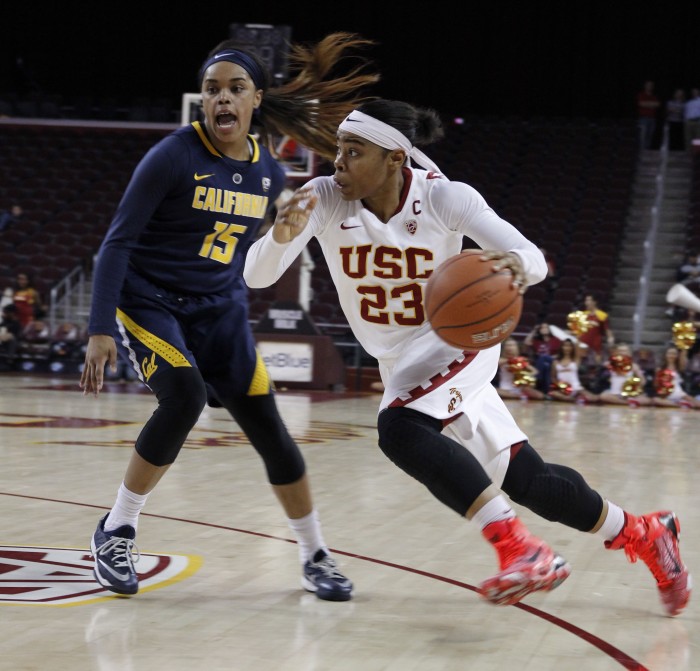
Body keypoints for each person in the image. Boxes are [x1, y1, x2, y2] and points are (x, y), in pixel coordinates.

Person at [243, 98, 690, 615]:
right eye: (339, 149)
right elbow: (257, 276)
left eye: (353, 151)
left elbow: (533, 259)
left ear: (394, 158)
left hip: (457, 340)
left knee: (400, 429)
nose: (338, 161)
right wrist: (278, 235)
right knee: (531, 482)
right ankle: (644, 532)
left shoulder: (444, 199)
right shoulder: (323, 197)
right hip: (401, 360)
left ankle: (522, 549)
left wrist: (513, 267)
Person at [80, 32, 381, 600]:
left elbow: (251, 250)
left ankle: (315, 553)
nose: (222, 98)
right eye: (212, 89)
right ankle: (116, 528)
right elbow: (115, 245)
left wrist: (281, 230)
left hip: (221, 310)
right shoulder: (171, 156)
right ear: (203, 100)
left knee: (271, 428)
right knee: (186, 397)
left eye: (235, 89)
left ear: (254, 100)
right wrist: (100, 330)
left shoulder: (269, 174)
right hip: (151, 302)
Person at [598, 343, 652, 407]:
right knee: (603, 396)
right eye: (620, 351)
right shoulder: (609, 364)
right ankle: (627, 403)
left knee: (647, 400)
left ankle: (629, 400)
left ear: (629, 353)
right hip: (614, 393)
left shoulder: (634, 365)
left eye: (625, 351)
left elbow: (643, 382)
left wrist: (636, 383)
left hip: (629, 392)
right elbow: (602, 379)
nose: (622, 353)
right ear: (616, 352)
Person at [549, 338, 600, 404]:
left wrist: (576, 336)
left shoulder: (575, 360)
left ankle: (574, 398)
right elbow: (553, 377)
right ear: (561, 347)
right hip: (562, 389)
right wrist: (559, 385)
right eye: (565, 345)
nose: (567, 348)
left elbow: (578, 347)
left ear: (572, 347)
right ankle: (571, 399)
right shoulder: (556, 362)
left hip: (576, 388)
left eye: (569, 346)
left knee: (593, 398)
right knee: (552, 393)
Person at [523, 322, 561, 394]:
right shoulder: (537, 341)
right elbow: (526, 342)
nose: (544, 329)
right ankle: (546, 391)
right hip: (540, 362)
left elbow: (560, 353)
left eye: (546, 327)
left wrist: (551, 357)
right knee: (545, 366)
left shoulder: (555, 340)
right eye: (542, 328)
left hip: (552, 360)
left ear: (549, 329)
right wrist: (534, 330)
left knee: (544, 358)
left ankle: (537, 376)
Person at [577, 293, 614, 365]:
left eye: (588, 300)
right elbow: (578, 330)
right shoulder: (582, 314)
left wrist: (610, 339)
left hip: (595, 342)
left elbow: (607, 330)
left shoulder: (602, 315)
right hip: (582, 342)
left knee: (596, 361)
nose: (586, 303)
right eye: (586, 300)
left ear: (595, 302)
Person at [636, 80, 660, 150]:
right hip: (643, 118)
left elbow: (657, 104)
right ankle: (641, 151)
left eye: (651, 85)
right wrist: (651, 104)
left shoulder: (654, 96)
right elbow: (641, 104)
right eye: (648, 85)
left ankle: (647, 151)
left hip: (652, 119)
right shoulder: (641, 94)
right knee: (642, 136)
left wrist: (647, 104)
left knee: (650, 136)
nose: (650, 86)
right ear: (645, 86)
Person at [0, 303, 22, 369]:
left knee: (12, 339)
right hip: (2, 339)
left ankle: (9, 360)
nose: (4, 314)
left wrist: (6, 336)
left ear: (12, 313)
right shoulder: (4, 321)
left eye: (6, 312)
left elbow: (14, 334)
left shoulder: (16, 323)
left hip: (12, 341)